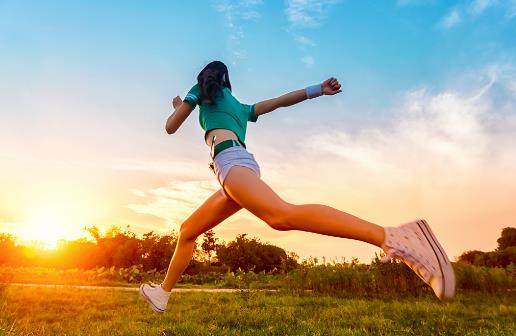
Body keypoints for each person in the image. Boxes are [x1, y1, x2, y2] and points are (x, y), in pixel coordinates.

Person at [139, 61, 455, 313]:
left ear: (204, 79)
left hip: (232, 165)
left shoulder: (201, 93)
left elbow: (170, 126)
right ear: (226, 81)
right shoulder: (238, 106)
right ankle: (163, 294)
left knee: (281, 217)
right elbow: (277, 102)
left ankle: (394, 237)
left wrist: (183, 101)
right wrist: (318, 89)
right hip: (238, 168)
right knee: (188, 230)